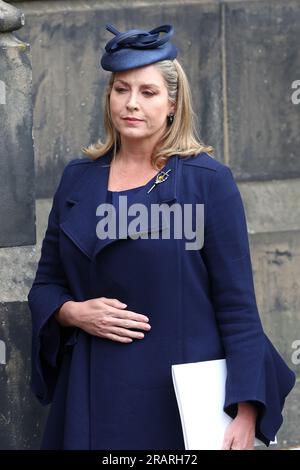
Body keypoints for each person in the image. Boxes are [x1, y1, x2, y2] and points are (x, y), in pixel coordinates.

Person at [28, 23, 295, 450]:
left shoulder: (208, 182)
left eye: (147, 92)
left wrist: (245, 411)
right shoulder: (77, 180)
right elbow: (45, 286)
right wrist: (73, 313)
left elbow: (238, 307)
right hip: (91, 394)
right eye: (120, 89)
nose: (131, 103)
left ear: (173, 103)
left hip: (180, 401)